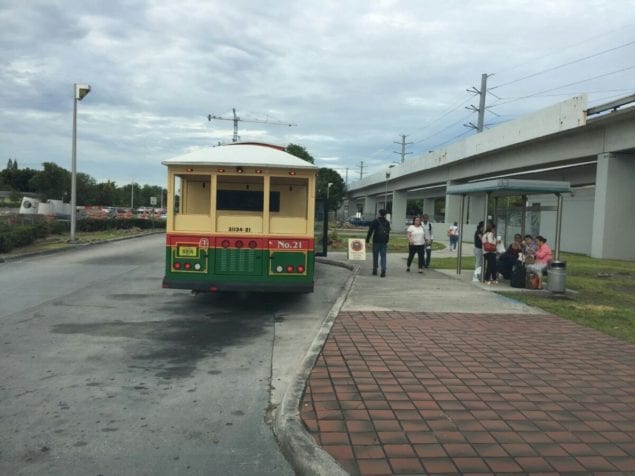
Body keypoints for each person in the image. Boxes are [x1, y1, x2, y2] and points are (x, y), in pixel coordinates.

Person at [366, 209, 391, 277]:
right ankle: (383, 270)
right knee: (383, 256)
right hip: (384, 241)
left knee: (375, 256)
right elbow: (388, 231)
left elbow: (370, 231)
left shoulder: (375, 221)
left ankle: (375, 270)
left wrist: (367, 240)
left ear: (379, 213)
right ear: (385, 214)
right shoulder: (387, 222)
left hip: (376, 241)